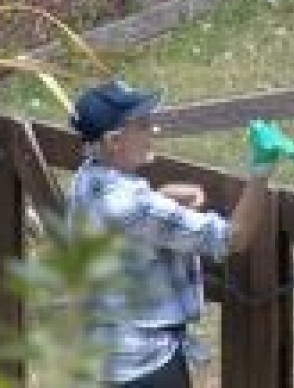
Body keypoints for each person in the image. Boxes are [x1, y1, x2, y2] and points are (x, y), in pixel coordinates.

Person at [66, 79, 274, 387]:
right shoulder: (135, 206)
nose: (154, 131)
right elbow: (232, 237)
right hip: (145, 368)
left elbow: (130, 222)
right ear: (114, 141)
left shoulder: (87, 179)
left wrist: (163, 197)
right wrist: (261, 172)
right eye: (143, 125)